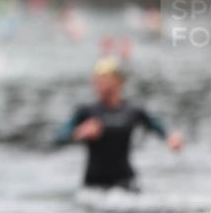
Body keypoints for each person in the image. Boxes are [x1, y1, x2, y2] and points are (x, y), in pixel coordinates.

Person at [54, 56, 183, 191]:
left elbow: (158, 127)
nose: (99, 84)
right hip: (94, 186)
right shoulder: (86, 111)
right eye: (97, 80)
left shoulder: (133, 110)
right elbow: (58, 138)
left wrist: (171, 137)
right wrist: (79, 133)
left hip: (125, 182)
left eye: (105, 79)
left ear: (118, 81)